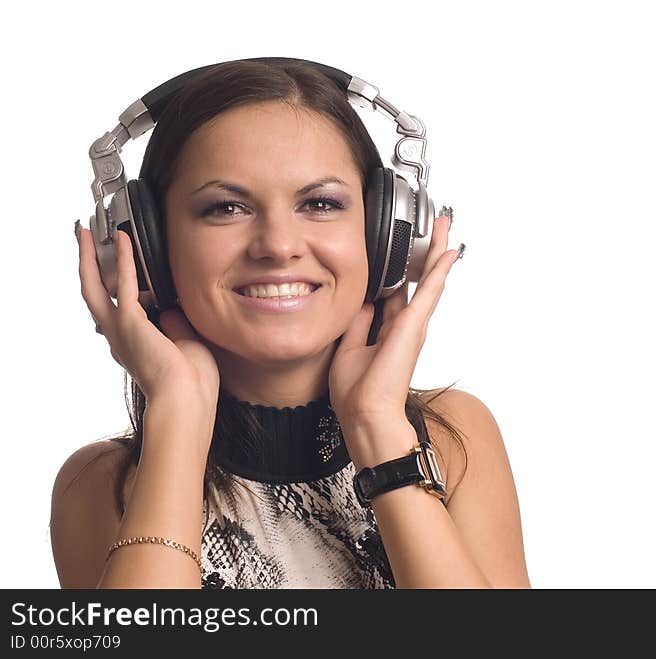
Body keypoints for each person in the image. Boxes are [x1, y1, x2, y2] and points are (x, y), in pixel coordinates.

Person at [51, 60, 530, 589]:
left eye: (320, 203)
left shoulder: (451, 437)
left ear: (387, 233)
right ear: (146, 248)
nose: (278, 245)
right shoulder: (100, 485)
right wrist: (179, 420)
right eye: (226, 208)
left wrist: (378, 429)